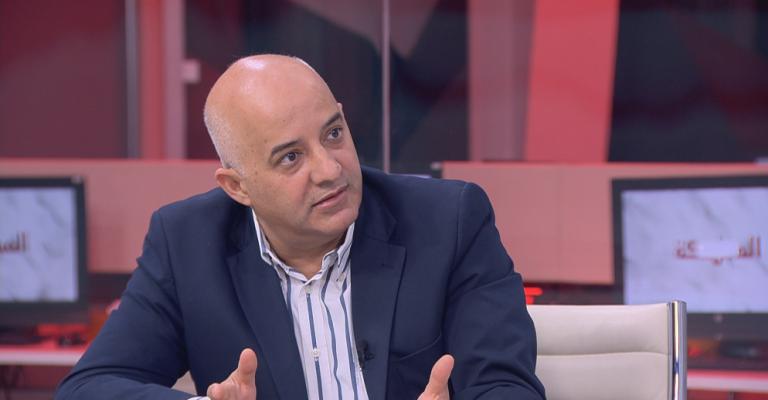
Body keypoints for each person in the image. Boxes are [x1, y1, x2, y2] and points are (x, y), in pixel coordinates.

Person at [55, 54, 545, 400]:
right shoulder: (186, 245)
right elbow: (89, 387)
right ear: (237, 186)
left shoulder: (448, 221)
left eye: (333, 133)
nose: (330, 169)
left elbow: (506, 385)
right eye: (290, 157)